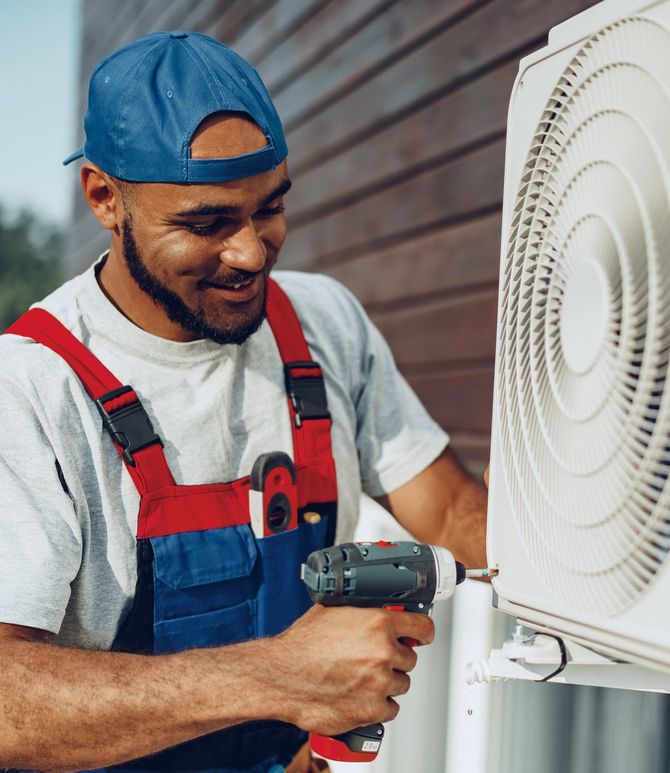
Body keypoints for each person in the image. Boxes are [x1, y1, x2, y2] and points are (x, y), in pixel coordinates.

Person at [0, 31, 487, 773]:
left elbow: (453, 515)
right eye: (206, 223)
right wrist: (282, 676)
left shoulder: (324, 324)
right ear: (105, 197)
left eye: (270, 208)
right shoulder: (33, 389)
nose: (252, 253)